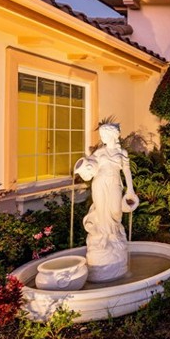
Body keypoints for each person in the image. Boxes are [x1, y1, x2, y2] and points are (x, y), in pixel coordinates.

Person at [73, 121, 140, 282]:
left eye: (104, 135)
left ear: (112, 135)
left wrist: (130, 190)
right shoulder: (99, 152)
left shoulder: (122, 152)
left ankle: (114, 235)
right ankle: (103, 238)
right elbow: (90, 171)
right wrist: (84, 168)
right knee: (101, 211)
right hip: (100, 183)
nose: (102, 137)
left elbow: (127, 171)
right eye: (101, 135)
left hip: (115, 184)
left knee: (116, 212)